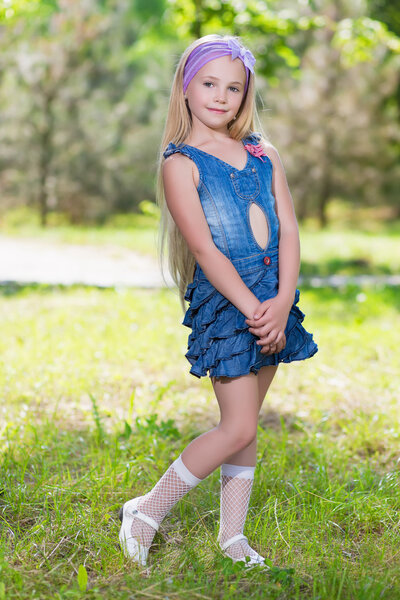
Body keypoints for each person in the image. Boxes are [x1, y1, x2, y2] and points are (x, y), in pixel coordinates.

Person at [119, 33, 318, 568]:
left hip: (273, 304)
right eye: (209, 83)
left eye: (234, 87)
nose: (221, 96)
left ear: (244, 94)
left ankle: (232, 537)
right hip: (230, 310)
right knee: (238, 426)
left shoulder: (263, 152)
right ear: (186, 87)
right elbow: (205, 248)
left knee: (247, 422)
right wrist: (254, 309)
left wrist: (280, 303)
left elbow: (291, 233)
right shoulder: (181, 162)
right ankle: (146, 512)